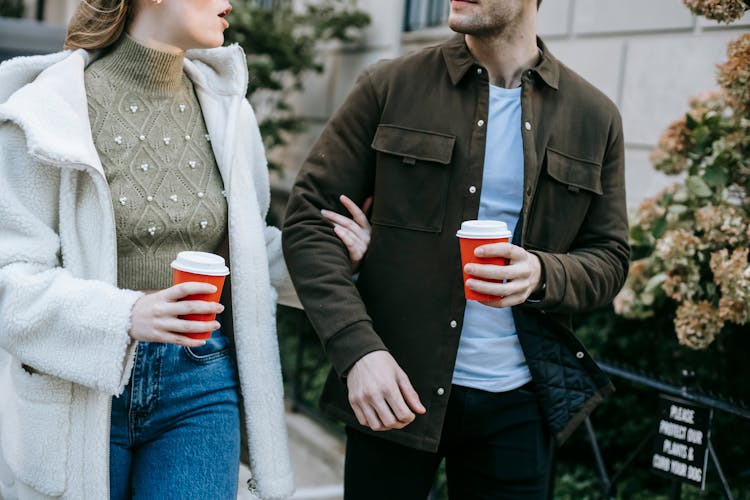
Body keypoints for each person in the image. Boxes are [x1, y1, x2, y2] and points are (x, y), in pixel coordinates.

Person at [0, 1, 370, 499]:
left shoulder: (228, 108)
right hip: (80, 388)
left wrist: (332, 257)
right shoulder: (46, 111)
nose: (230, 3)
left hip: (200, 380)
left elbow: (248, 246)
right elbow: (11, 279)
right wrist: (126, 315)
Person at [282, 0, 630, 497]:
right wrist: (356, 351)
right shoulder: (390, 86)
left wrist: (542, 272)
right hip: (394, 385)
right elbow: (310, 220)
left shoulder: (594, 116)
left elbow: (611, 256)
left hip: (518, 403)